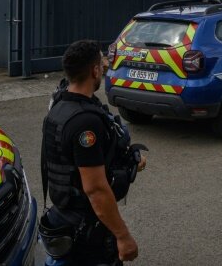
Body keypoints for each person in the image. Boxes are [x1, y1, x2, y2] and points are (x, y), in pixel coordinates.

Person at [40, 40, 146, 265]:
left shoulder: (60, 104)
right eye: (102, 62)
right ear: (94, 70)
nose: (106, 65)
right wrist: (123, 236)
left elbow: (71, 162)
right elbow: (95, 189)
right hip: (85, 227)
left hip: (64, 215)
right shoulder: (85, 123)